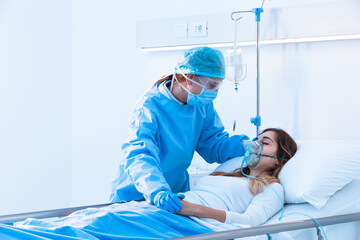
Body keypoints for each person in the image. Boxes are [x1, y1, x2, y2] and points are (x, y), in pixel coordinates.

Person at [109, 46, 250, 213]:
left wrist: (245, 146)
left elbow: (213, 146)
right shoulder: (148, 107)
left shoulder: (201, 106)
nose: (215, 92)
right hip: (138, 195)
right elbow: (140, 155)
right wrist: (157, 190)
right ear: (189, 77)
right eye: (212, 85)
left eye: (218, 86)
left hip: (176, 196)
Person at [176, 128, 298, 227]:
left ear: (279, 159)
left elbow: (249, 221)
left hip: (190, 222)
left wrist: (191, 209)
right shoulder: (228, 174)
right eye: (255, 140)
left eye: (265, 142)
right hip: (173, 211)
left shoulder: (272, 188)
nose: (254, 145)